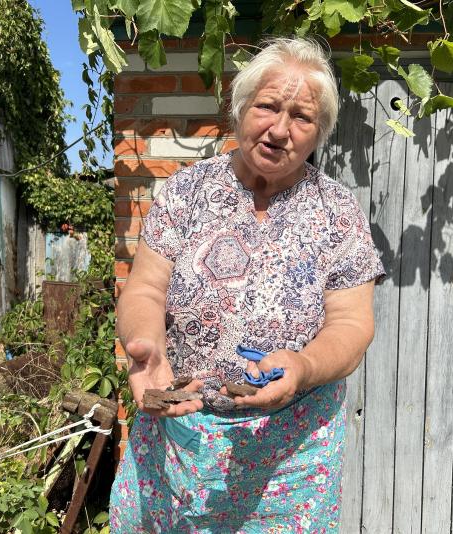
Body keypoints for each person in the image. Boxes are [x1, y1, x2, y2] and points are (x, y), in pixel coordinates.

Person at [110, 37, 385, 532]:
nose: (280, 130)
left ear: (318, 133)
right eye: (267, 107)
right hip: (179, 436)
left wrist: (302, 366)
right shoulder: (187, 193)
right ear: (240, 110)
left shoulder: (338, 213)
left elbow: (352, 323)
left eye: (301, 118)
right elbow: (146, 289)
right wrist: (145, 348)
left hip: (290, 458)